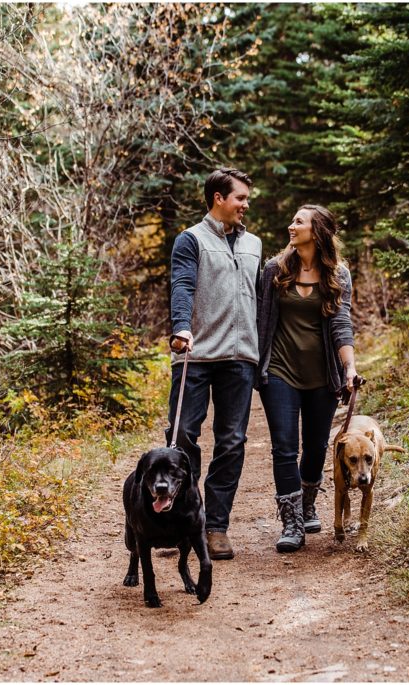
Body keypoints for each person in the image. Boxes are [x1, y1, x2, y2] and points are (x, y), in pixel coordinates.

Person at [168, 168, 261, 560]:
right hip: (195, 354)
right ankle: (176, 517)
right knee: (183, 437)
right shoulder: (191, 240)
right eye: (240, 198)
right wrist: (181, 326)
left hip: (239, 357)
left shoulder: (254, 244)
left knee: (232, 442)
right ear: (218, 198)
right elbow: (183, 285)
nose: (245, 205)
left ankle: (215, 526)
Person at [256, 204, 359, 553]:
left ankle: (309, 502)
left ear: (316, 232)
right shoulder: (275, 270)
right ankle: (292, 522)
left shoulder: (337, 274)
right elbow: (261, 319)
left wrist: (349, 368)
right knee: (284, 447)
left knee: (315, 446)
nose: (291, 226)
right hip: (280, 371)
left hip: (322, 377)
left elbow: (341, 323)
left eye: (299, 222)